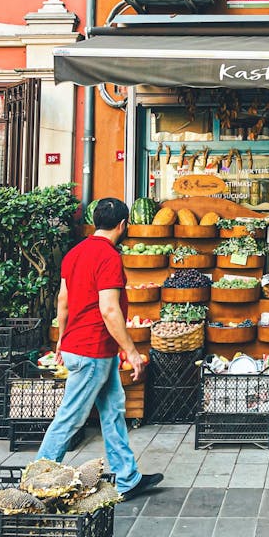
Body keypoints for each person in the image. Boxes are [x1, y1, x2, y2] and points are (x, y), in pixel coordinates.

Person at [37, 198, 164, 500]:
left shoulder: (75, 253)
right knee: (70, 417)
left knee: (113, 413)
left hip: (85, 348)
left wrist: (61, 340)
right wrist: (131, 351)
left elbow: (63, 302)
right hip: (92, 350)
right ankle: (37, 481)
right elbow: (109, 310)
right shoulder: (108, 257)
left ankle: (127, 477)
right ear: (123, 225)